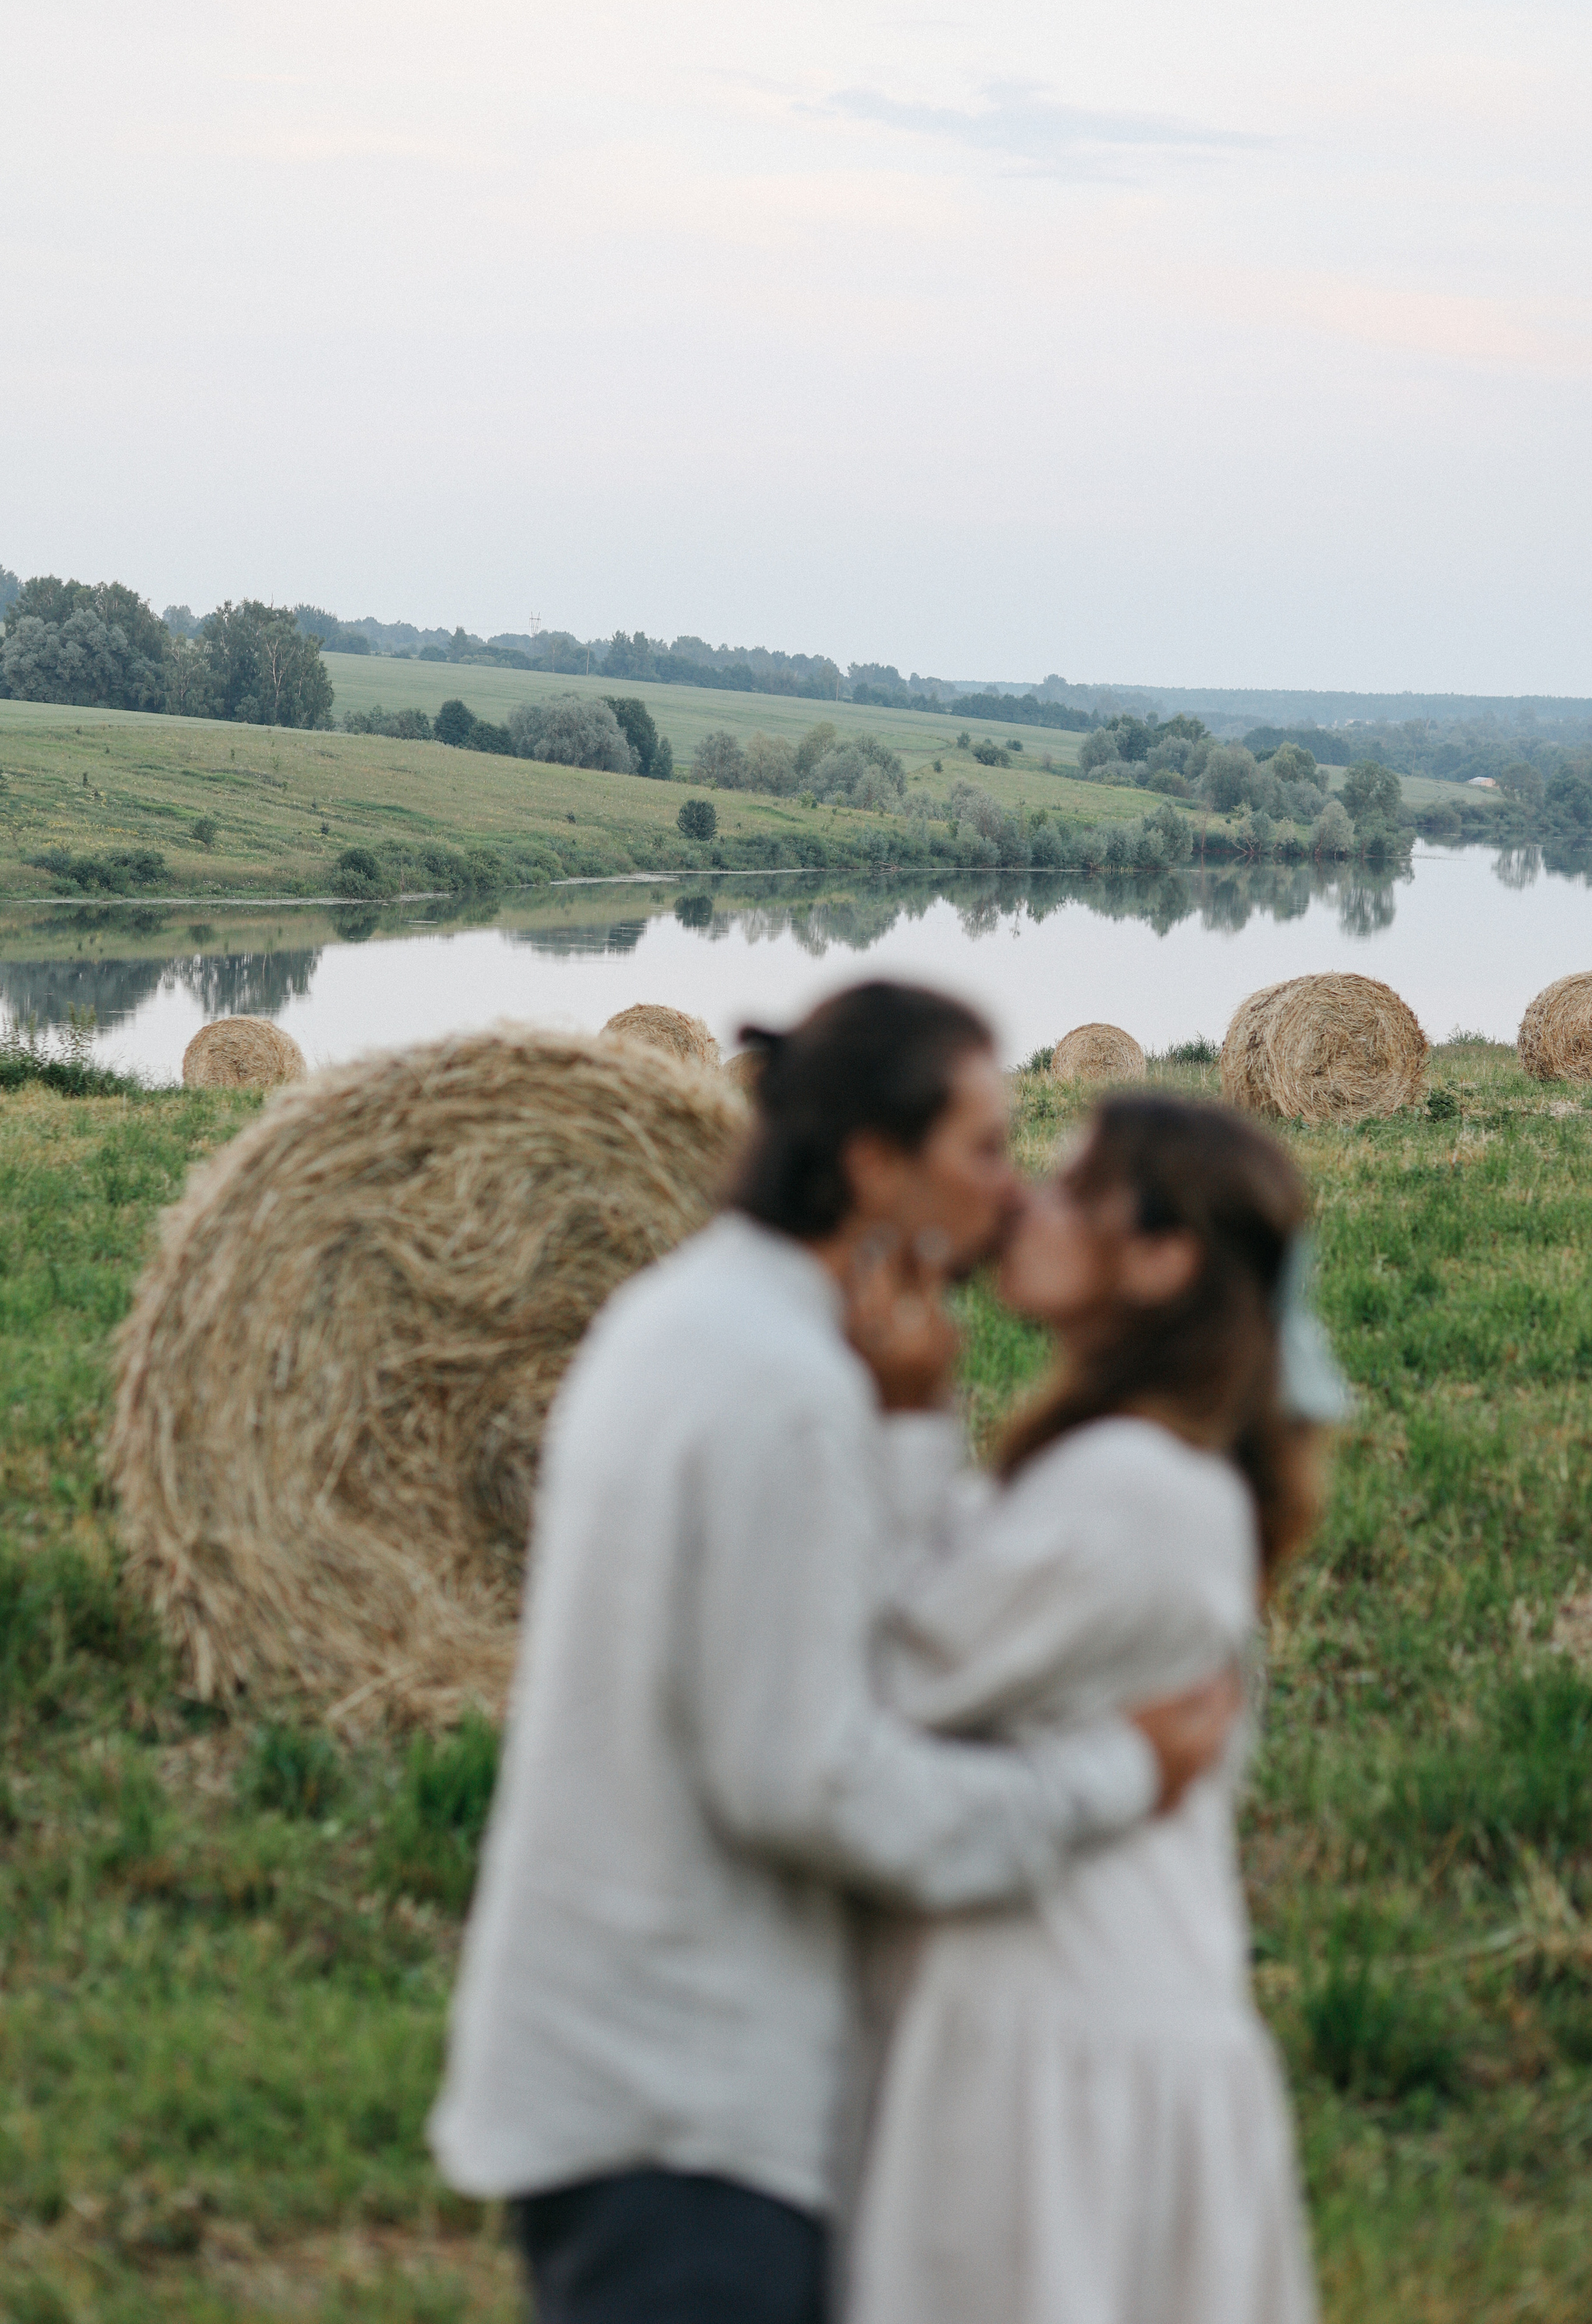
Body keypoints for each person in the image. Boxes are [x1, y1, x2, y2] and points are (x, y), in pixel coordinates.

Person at [428, 985, 1239, 2324]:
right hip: (684, 2105)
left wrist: (910, 1428)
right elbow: (806, 1778)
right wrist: (1111, 1776)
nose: (1012, 1189)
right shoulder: (785, 1391)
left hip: (617, 2060)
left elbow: (823, 1656)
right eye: (983, 1148)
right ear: (872, 1163)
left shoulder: (685, 1316)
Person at [844, 1092, 1349, 2324]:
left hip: (1067, 2051)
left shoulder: (1133, 1488)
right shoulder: (1109, 1461)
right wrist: (913, 1412)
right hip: (1058, 2015)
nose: (1021, 1200)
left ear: (1163, 1255)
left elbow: (878, 1677)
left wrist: (894, 1428)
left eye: (1069, 1189)